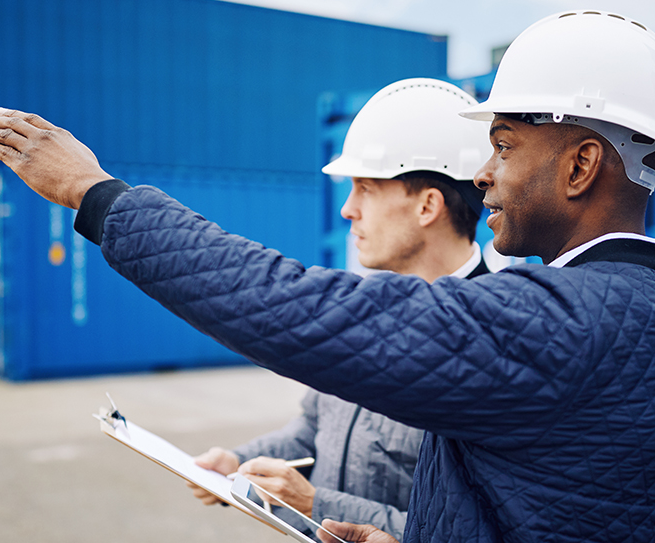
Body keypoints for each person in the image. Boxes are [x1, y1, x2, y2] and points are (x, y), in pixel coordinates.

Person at [0, 10, 655, 543]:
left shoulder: (564, 321)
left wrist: (98, 197)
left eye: (503, 145)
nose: (486, 175)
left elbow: (296, 307)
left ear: (582, 164)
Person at [185, 78, 491, 542]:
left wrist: (316, 505)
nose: (347, 210)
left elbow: (473, 532)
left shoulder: (495, 344)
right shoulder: (360, 311)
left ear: (428, 205)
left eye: (365, 189)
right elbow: (314, 429)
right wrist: (239, 461)